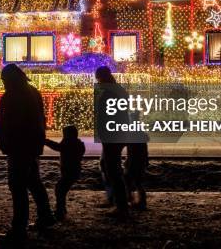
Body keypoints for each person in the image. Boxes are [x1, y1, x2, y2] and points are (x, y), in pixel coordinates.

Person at [0, 64, 55, 244]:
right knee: (33, 182)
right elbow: (39, 120)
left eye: (5, 80)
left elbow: (10, 123)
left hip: (18, 147)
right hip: (31, 146)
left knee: (18, 187)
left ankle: (19, 228)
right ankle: (46, 216)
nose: (4, 83)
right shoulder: (32, 92)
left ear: (11, 79)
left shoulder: (13, 96)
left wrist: (6, 142)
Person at [94, 66, 130, 219]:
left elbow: (107, 115)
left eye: (98, 79)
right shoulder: (117, 90)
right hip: (116, 134)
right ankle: (114, 198)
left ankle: (121, 204)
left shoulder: (109, 93)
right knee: (107, 165)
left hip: (112, 136)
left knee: (112, 168)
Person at [44, 125, 86, 221]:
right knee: (61, 190)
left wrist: (46, 141)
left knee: (60, 190)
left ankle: (60, 212)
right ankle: (61, 210)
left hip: (70, 171)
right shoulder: (77, 143)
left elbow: (58, 147)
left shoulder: (69, 143)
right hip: (73, 171)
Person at [124, 142, 149, 210]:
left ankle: (131, 200)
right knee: (138, 182)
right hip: (139, 163)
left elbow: (131, 153)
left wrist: (127, 163)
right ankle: (141, 202)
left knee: (128, 182)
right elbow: (145, 153)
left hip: (133, 163)